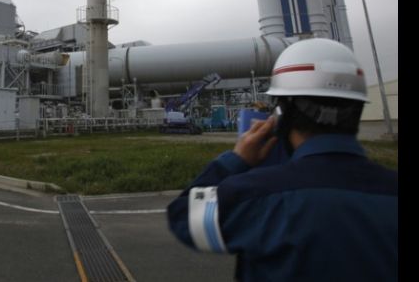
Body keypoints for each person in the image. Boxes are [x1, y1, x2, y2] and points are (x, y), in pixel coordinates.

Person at [166, 38, 397, 281]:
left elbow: (184, 215)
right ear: (359, 109)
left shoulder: (254, 195)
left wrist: (236, 159)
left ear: (281, 114)